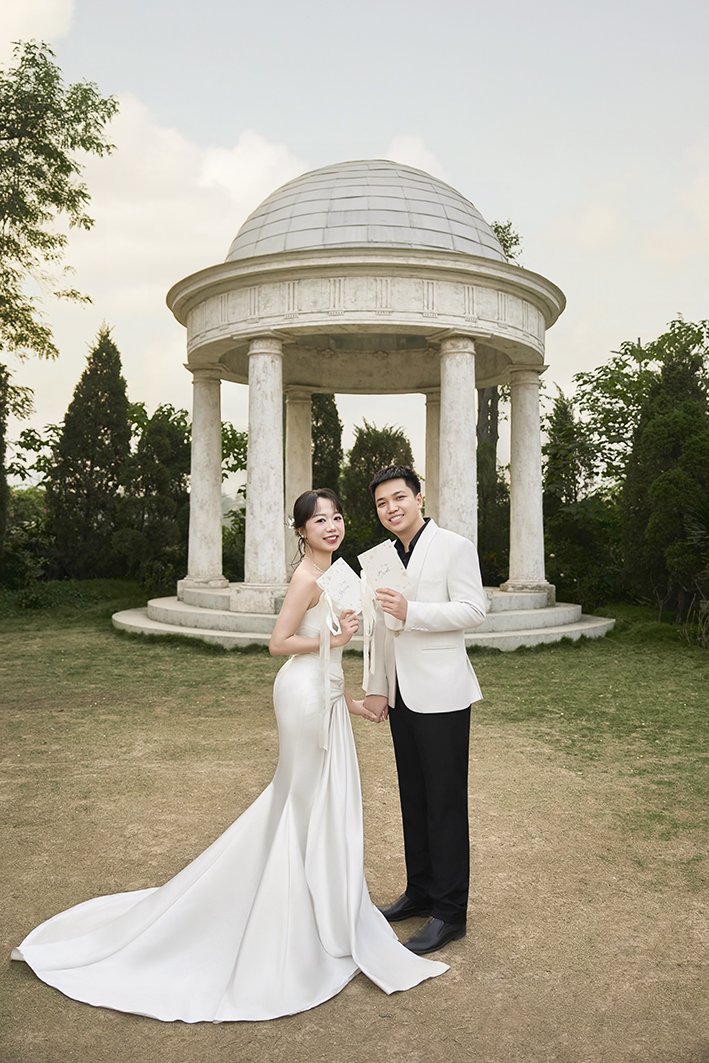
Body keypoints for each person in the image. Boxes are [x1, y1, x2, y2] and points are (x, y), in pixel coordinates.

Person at [11, 489, 448, 1022]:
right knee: (303, 802)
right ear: (301, 531)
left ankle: (321, 908)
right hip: (302, 696)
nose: (331, 527)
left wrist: (353, 702)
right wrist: (332, 642)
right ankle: (291, 915)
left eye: (336, 517)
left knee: (318, 803)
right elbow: (279, 643)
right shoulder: (306, 578)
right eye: (319, 521)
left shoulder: (337, 572)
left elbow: (334, 648)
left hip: (326, 696)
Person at [362, 467, 487, 956]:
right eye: (381, 503)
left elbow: (474, 610)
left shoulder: (454, 547)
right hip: (401, 695)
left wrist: (412, 612)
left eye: (398, 498)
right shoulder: (380, 557)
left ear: (419, 497)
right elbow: (379, 627)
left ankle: (450, 913)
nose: (391, 508)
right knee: (413, 799)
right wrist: (377, 688)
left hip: (443, 695)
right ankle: (420, 892)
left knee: (445, 804)